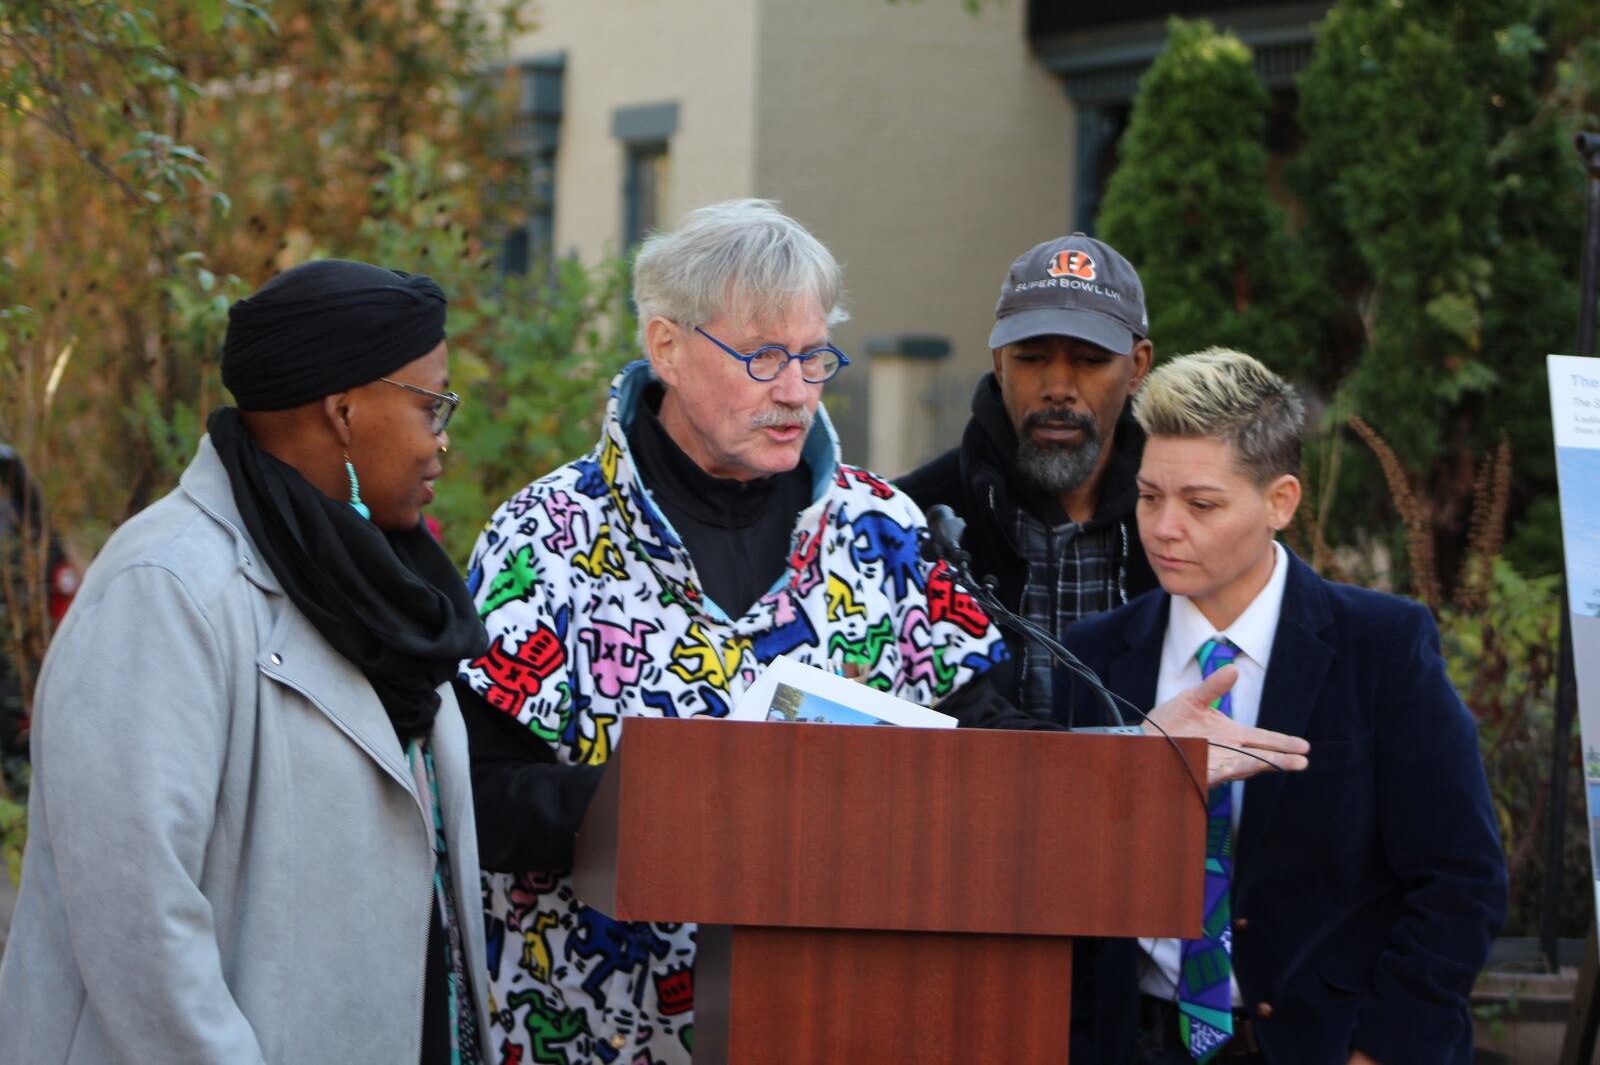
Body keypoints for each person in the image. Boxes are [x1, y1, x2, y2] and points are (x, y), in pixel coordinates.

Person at [455, 201, 1308, 1065]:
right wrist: (671, 802)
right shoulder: (545, 537)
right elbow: (476, 796)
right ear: (666, 346)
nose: (796, 390)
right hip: (596, 1030)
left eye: (814, 356)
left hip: (841, 1023)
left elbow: (993, 747)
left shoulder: (884, 529)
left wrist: (1129, 751)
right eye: (763, 358)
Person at [0, 260, 494, 1063]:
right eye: (433, 404)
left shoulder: (388, 594)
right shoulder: (166, 591)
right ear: (342, 411)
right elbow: (140, 924)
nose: (444, 439)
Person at [1060, 348, 1507, 1065]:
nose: (1164, 527)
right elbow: (1063, 874)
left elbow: (1462, 879)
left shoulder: (1383, 647)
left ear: (1282, 501)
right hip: (1135, 1036)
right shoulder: (1097, 652)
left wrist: (1381, 1049)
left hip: (1321, 1041)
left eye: (1200, 503)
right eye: (1149, 496)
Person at [899, 232, 1159, 721]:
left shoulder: (1179, 525)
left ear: (1137, 367)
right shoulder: (908, 520)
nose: (1058, 388)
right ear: (999, 363)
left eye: (1090, 360)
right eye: (1032, 358)